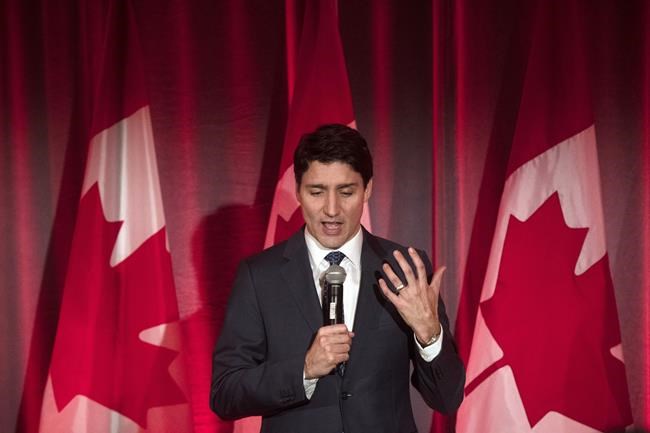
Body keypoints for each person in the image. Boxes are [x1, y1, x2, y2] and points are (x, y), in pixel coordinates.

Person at [210, 124, 465, 433]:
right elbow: (225, 395)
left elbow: (447, 399)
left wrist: (429, 335)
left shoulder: (405, 269)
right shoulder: (259, 276)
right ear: (298, 189)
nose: (331, 210)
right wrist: (304, 370)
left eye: (346, 192)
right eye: (317, 192)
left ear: (367, 189)